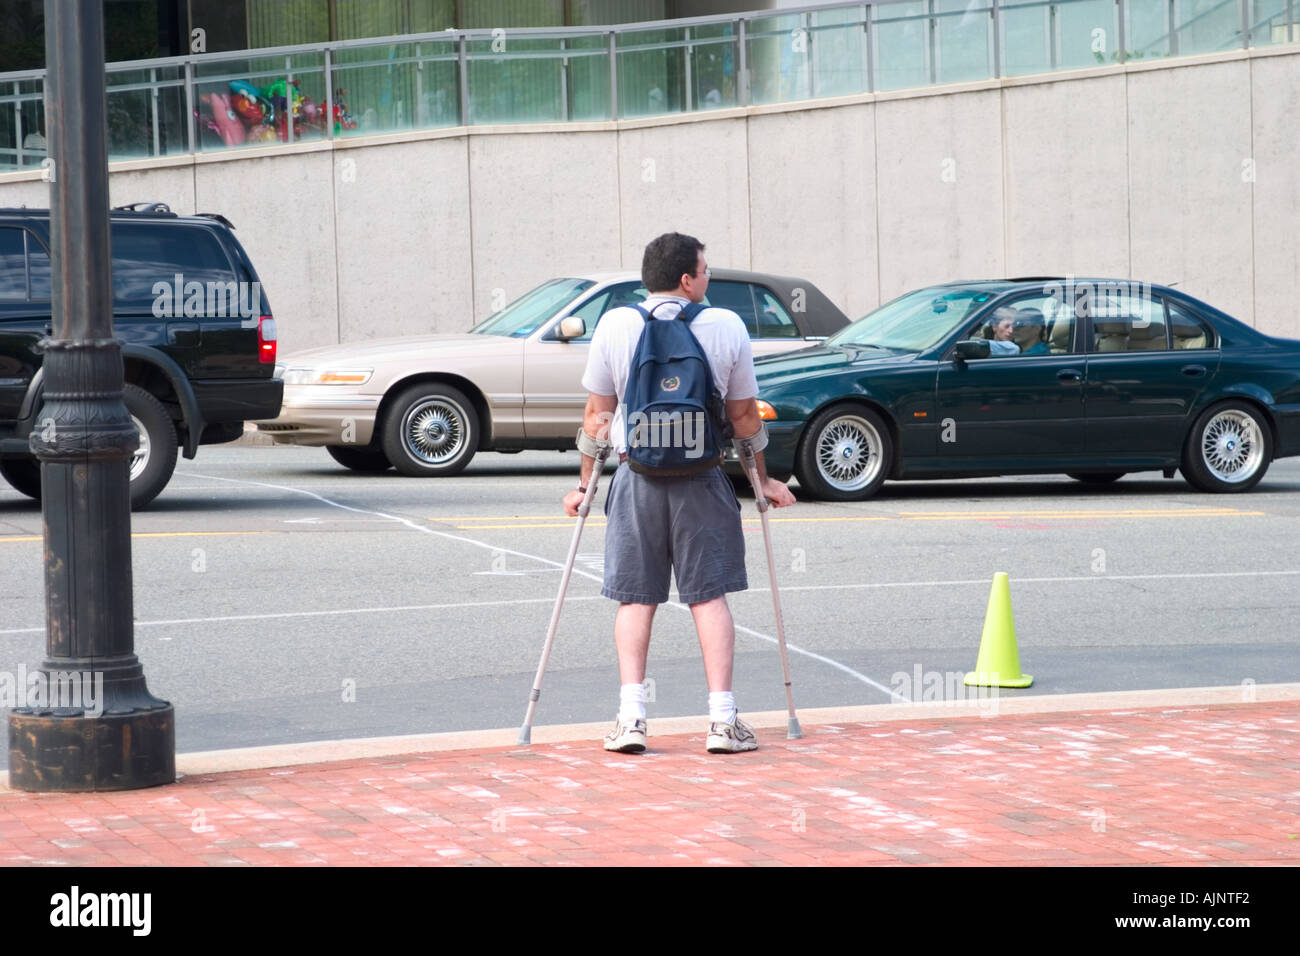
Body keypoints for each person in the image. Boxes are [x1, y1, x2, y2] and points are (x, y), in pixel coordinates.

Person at [565, 232, 796, 755]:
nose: (709, 279)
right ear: (687, 280)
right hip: (702, 480)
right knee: (708, 597)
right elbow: (743, 418)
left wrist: (584, 486)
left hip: (635, 477)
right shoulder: (726, 325)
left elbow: (597, 417)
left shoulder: (615, 324)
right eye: (706, 271)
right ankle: (721, 721)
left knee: (635, 598)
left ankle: (630, 720)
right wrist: (763, 480)